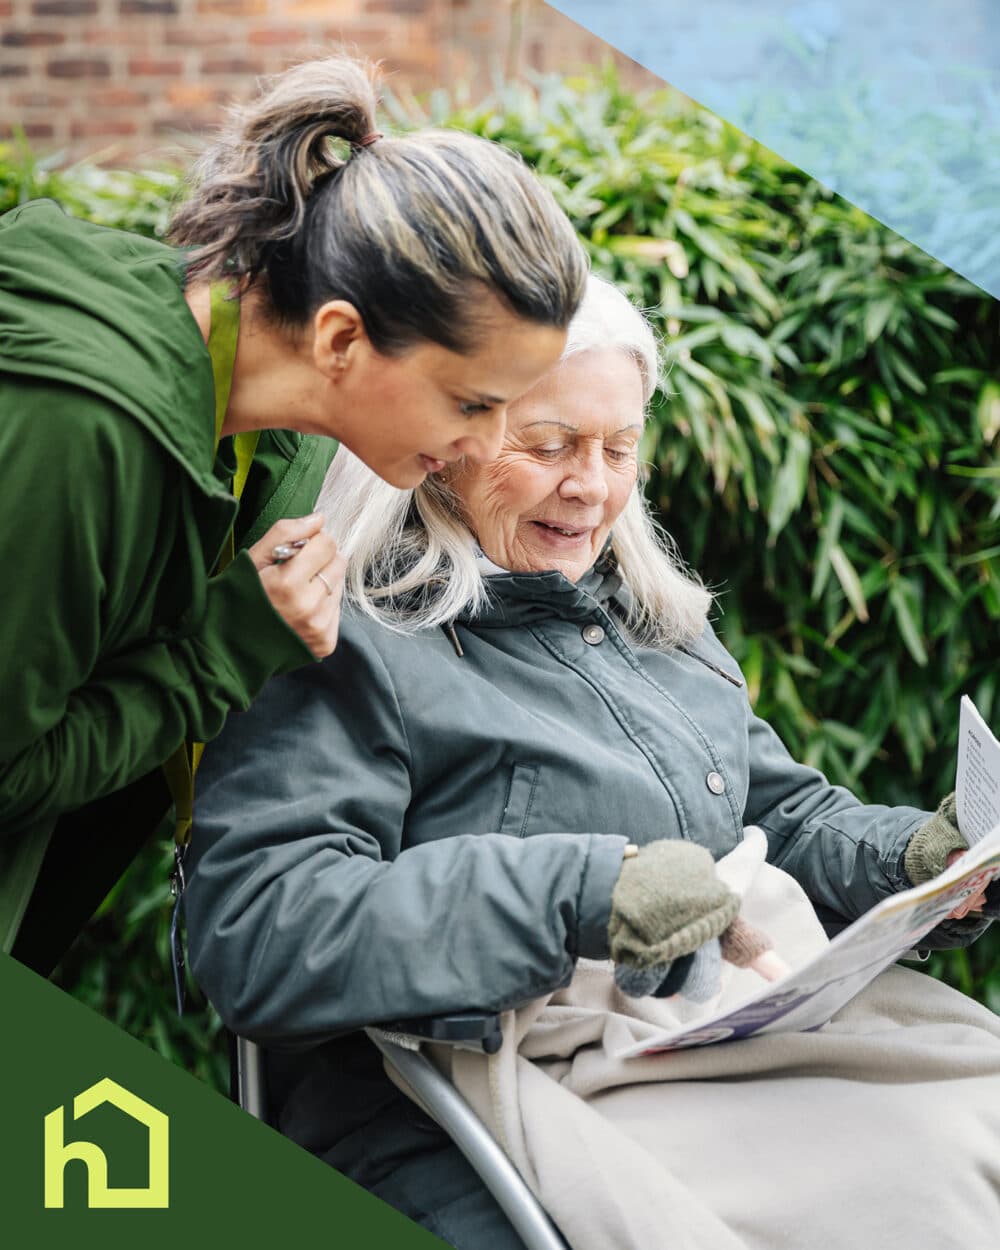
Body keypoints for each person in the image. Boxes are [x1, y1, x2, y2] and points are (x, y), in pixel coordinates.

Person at [184, 276, 1000, 1250]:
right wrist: (582, 892)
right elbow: (261, 931)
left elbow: (775, 816)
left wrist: (922, 857)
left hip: (710, 1032)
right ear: (446, 438)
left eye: (619, 446)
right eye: (548, 443)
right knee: (911, 1189)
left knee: (962, 1133)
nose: (593, 484)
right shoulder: (346, 637)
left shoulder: (646, 621)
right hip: (501, 1079)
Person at [0, 52, 586, 974]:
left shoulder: (280, 427)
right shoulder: (79, 432)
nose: (487, 445)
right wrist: (222, 650)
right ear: (341, 337)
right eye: (473, 404)